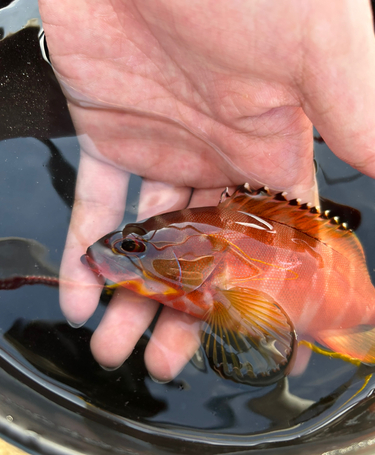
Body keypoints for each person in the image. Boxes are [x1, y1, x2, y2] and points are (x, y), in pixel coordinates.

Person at [39, 0, 375, 382]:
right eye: (132, 244)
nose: (123, 248)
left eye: (135, 245)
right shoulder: (212, 272)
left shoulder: (220, 282)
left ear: (205, 254)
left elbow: (252, 325)